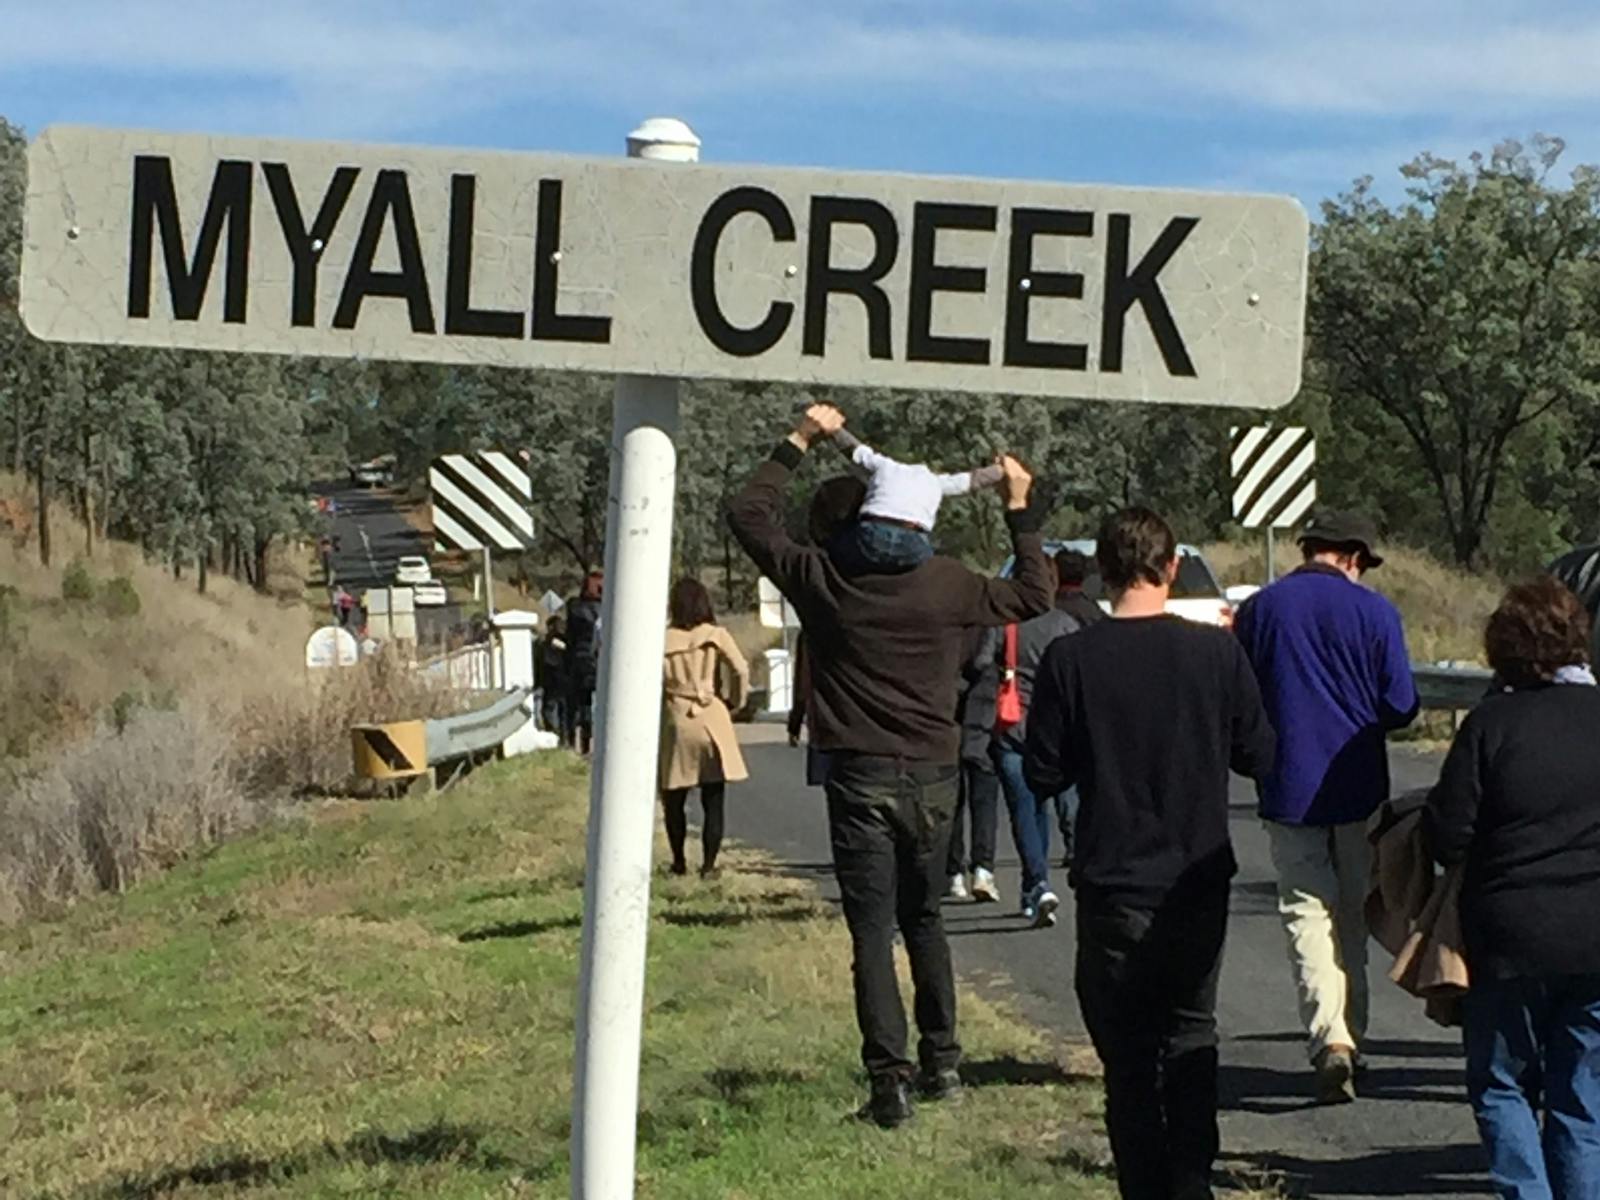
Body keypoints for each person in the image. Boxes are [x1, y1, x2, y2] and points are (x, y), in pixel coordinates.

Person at [727, 402, 1052, 1129]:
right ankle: (944, 1060)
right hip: (934, 772)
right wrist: (1019, 508)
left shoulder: (822, 579)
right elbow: (1033, 592)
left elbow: (748, 513)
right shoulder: (951, 585)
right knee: (925, 917)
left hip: (858, 775)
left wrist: (802, 439)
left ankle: (888, 1081)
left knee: (871, 931)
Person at [1025, 506, 1275, 1200]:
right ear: (1169, 569)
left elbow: (1042, 771)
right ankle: (1193, 1182)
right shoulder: (1217, 655)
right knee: (1192, 1033)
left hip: (1113, 880)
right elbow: (1261, 754)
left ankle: (1143, 1187)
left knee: (1128, 1058)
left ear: (1103, 573)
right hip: (1197, 877)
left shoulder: (1071, 659)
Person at [1233, 511, 1419, 1104]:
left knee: (1304, 912)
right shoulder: (1375, 613)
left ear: (1310, 550)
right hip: (1358, 784)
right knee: (1354, 916)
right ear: (1354, 558)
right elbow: (1401, 704)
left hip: (1286, 784)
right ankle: (1353, 1040)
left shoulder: (1262, 610)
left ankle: (1328, 1037)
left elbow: (1242, 695)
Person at [1425, 578, 1600, 1200]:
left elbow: (1448, 835)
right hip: (1595, 935)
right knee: (1583, 1098)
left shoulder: (1490, 725)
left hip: (1509, 933)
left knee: (1502, 1083)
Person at [992, 549, 1105, 927]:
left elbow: (978, 664)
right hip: (1057, 732)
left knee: (1026, 812)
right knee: (1066, 796)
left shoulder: (1005, 624)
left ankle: (1036, 883)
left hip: (1012, 726)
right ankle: (1075, 854)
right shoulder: (1064, 626)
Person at [659, 578, 750, 878]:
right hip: (711, 714)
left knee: (674, 796)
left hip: (676, 718)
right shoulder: (716, 635)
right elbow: (740, 669)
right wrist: (734, 702)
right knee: (714, 797)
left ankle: (679, 861)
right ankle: (709, 865)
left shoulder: (662, 639)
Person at [824, 422, 1004, 573]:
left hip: (873, 529)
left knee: (838, 552)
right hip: (913, 537)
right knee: (922, 573)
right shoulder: (936, 481)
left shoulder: (886, 466)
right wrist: (1000, 470)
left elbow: (857, 452)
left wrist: (833, 429)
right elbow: (971, 481)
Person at [1051, 549, 1104, 862]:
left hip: (1056, 701)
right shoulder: (1093, 613)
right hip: (1092, 701)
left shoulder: (1048, 612)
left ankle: (1073, 838)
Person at [946, 626, 1002, 904]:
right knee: (985, 805)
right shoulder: (989, 626)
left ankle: (954, 872)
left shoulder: (948, 628)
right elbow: (984, 660)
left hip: (950, 727)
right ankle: (983, 869)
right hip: (983, 724)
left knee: (952, 804)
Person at [564, 570, 603, 753]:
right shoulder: (605, 609)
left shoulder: (574, 607)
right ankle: (589, 742)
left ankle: (572, 741)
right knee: (593, 703)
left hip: (575, 660)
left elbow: (569, 636)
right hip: (596, 660)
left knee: (575, 704)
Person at [538, 615, 568, 736]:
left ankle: (553, 732)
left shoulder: (550, 641)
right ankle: (562, 733)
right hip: (562, 676)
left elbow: (545, 660)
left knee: (550, 707)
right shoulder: (566, 639)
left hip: (553, 677)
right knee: (562, 707)